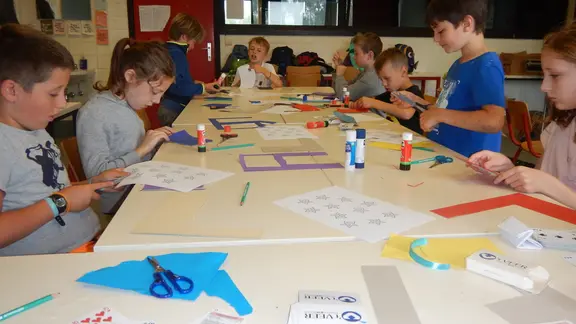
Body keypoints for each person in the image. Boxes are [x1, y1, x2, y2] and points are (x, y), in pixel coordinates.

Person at [0, 24, 125, 256]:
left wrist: (91, 182)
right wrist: (60, 203)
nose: (61, 103)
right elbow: (56, 200)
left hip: (88, 243)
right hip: (52, 264)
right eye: (53, 93)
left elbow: (48, 190)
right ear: (11, 90)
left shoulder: (35, 129)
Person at [469, 23, 576, 210]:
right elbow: (541, 177)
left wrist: (547, 184)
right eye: (544, 75)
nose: (544, 87)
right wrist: (511, 171)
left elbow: (548, 184)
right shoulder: (562, 124)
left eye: (556, 75)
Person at [392, 0, 506, 157]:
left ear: (467, 23)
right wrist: (414, 100)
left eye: (441, 31)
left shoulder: (486, 66)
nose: (436, 39)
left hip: (469, 165)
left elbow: (494, 121)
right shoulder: (458, 65)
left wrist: (439, 115)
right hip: (445, 155)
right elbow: (448, 110)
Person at [77, 38, 175, 215]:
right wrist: (142, 150)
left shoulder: (127, 106)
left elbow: (126, 146)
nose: (156, 101)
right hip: (121, 206)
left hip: (141, 190)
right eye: (155, 92)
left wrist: (154, 142)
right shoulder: (94, 113)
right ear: (130, 76)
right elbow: (98, 177)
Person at [158, 13, 218, 127]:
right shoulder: (177, 54)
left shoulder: (169, 49)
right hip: (172, 110)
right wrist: (203, 88)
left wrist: (193, 83)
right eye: (193, 42)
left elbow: (178, 80)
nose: (193, 47)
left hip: (169, 107)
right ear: (184, 37)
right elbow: (177, 87)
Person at [351, 47, 424, 134]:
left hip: (412, 144)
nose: (384, 84)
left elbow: (406, 113)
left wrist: (373, 103)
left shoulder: (414, 93)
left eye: (387, 78)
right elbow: (373, 100)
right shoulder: (392, 93)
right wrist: (356, 104)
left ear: (403, 72)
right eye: (381, 79)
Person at [332, 32, 385, 101]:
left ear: (370, 55)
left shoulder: (369, 78)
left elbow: (343, 96)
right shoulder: (367, 72)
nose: (353, 57)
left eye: (356, 53)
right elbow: (348, 86)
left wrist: (339, 75)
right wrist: (339, 67)